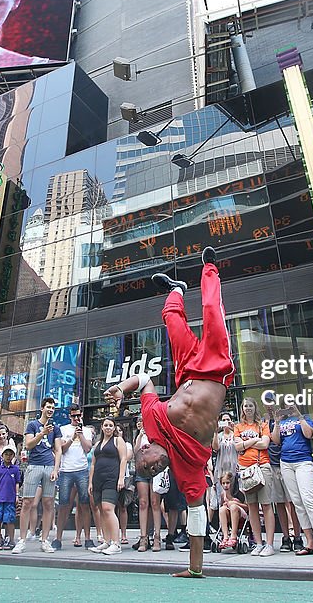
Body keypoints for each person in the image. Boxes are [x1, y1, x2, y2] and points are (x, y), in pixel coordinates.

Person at [104, 246, 235, 578]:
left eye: (147, 460)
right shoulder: (188, 469)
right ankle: (210, 268)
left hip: (189, 368)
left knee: (171, 319)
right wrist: (194, 568)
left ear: (144, 448)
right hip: (217, 368)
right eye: (155, 468)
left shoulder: (152, 422)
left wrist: (122, 387)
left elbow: (145, 380)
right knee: (211, 310)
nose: (155, 462)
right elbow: (196, 515)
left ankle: (176, 290)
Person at [271, 402, 313, 558]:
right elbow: (276, 440)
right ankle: (310, 542)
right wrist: (277, 422)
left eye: (291, 405)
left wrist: (298, 415)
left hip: (303, 461)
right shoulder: (282, 421)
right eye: (286, 406)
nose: (288, 408)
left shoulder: (304, 418)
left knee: (309, 499)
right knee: (297, 502)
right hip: (286, 462)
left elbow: (309, 434)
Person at [12, 397, 62, 554]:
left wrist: (56, 469)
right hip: (34, 466)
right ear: (42, 408)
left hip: (49, 466)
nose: (50, 409)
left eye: (53, 407)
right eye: (48, 407)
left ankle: (45, 540)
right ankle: (21, 540)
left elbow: (58, 449)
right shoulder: (33, 425)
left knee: (48, 503)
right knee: (27, 502)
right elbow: (28, 445)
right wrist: (42, 433)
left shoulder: (56, 428)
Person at [233, 397, 277, 556]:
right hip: (245, 469)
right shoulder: (238, 427)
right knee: (252, 506)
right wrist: (254, 440)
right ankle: (258, 543)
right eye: (245, 406)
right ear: (242, 408)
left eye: (251, 405)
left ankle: (270, 544)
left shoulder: (263, 425)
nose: (248, 408)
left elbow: (265, 444)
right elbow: (237, 446)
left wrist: (245, 442)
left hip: (261, 466)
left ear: (255, 407)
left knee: (266, 505)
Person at [54, 403, 93, 550]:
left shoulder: (87, 430)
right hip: (66, 471)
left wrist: (81, 434)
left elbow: (88, 448)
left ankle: (88, 538)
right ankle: (58, 538)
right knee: (64, 504)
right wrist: (72, 438)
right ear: (70, 416)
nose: (76, 418)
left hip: (82, 470)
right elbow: (61, 450)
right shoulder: (62, 430)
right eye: (74, 416)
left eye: (78, 415)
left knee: (84, 504)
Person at [87, 418, 128, 555]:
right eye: (106, 425)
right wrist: (91, 482)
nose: (108, 427)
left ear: (114, 427)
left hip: (112, 478)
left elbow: (124, 459)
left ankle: (116, 544)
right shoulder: (97, 444)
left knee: (108, 508)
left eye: (111, 425)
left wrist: (121, 478)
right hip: (98, 479)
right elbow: (92, 464)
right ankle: (106, 541)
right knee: (101, 510)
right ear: (102, 427)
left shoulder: (118, 440)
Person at [263, 403, 301, 552]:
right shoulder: (265, 421)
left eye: (272, 403)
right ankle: (285, 537)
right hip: (272, 464)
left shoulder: (290, 420)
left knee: (292, 502)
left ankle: (297, 536)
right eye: (266, 403)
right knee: (279, 502)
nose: (269, 406)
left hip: (287, 461)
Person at [134, 416, 163, 552]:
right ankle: (143, 537)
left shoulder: (156, 432)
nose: (142, 424)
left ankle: (157, 537)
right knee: (143, 502)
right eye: (140, 422)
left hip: (155, 469)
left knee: (155, 503)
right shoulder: (139, 436)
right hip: (142, 469)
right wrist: (140, 436)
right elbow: (135, 452)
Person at [0, 444, 21, 550]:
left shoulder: (16, 469)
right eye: (6, 454)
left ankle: (11, 540)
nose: (8, 456)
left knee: (10, 520)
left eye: (10, 454)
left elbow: (17, 483)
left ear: (13, 456)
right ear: (2, 456)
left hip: (10, 498)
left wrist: (17, 495)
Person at [216, 472, 248, 551]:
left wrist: (235, 503)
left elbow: (248, 508)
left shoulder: (239, 492)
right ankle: (225, 536)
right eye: (223, 483)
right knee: (222, 509)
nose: (225, 485)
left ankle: (233, 536)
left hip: (240, 514)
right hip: (229, 515)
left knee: (233, 507)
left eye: (228, 483)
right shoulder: (223, 495)